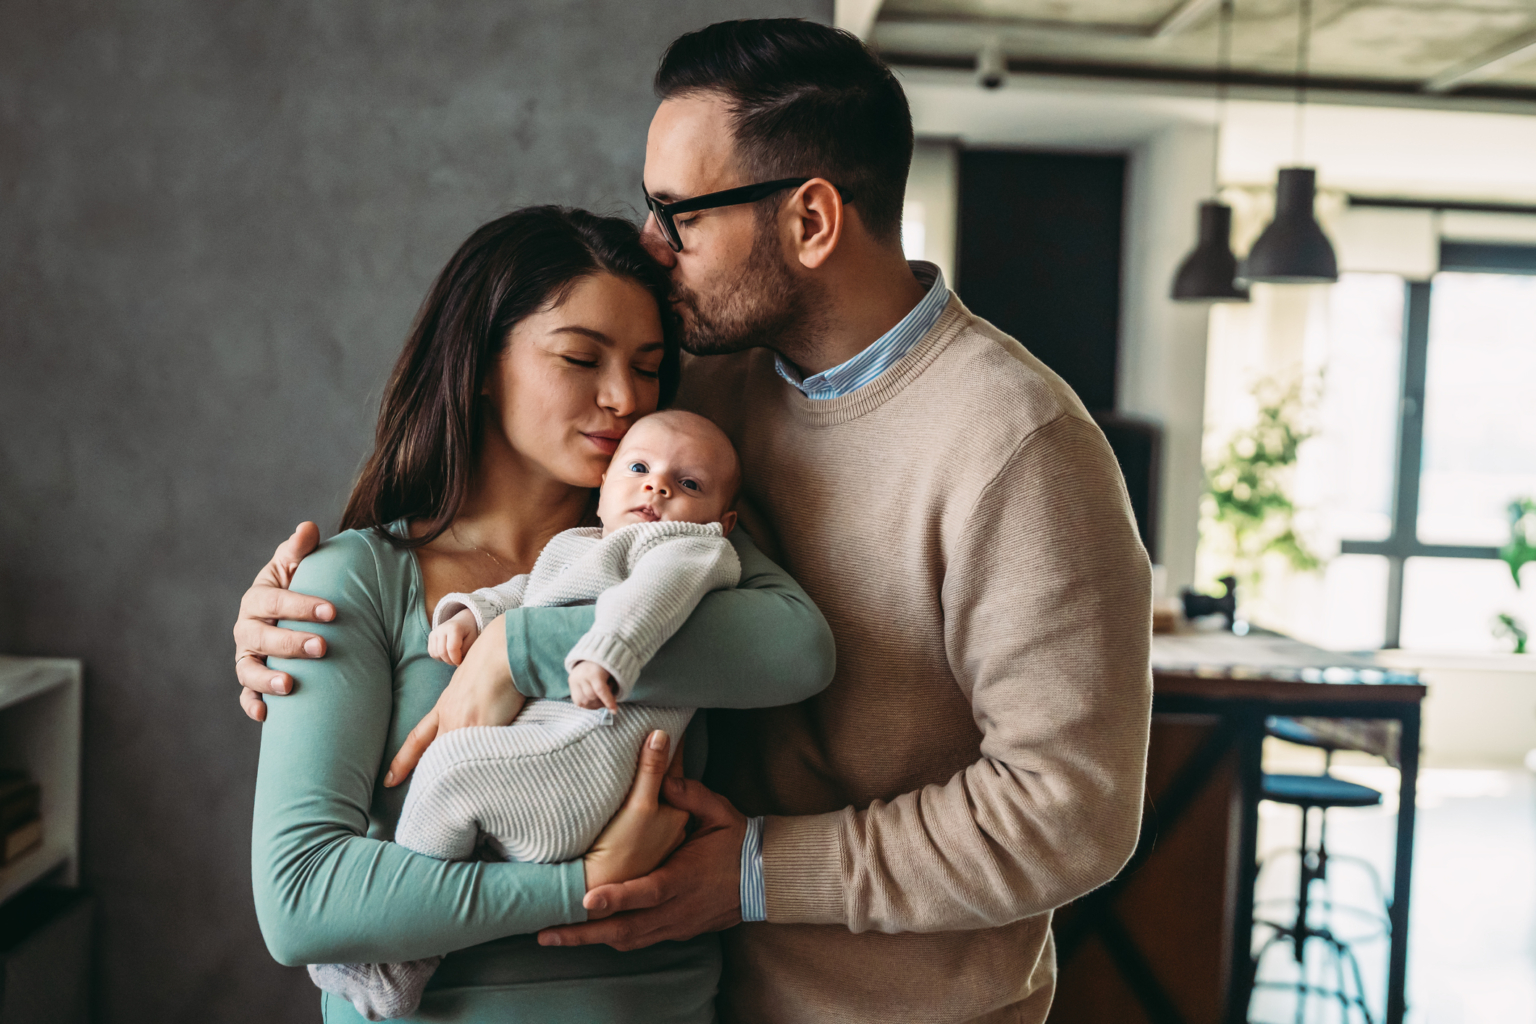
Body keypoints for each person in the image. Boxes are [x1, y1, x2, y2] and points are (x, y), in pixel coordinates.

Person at [237, 20, 1153, 1023]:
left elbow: (1068, 813)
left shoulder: (1021, 448)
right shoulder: (694, 393)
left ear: (810, 222)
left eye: (679, 213)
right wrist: (294, 621)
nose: (649, 244)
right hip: (698, 995)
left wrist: (754, 869)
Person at [247, 205, 834, 1023]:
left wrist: (518, 649)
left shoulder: (663, 538)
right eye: (579, 357)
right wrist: (582, 884)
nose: (624, 397)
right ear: (483, 363)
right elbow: (303, 902)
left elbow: (798, 651)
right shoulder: (357, 580)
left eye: (649, 366)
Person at [311, 410, 746, 1020]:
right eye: (640, 469)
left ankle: (397, 964)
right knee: (455, 777)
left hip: (593, 765)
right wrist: (471, 615)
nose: (658, 488)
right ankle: (407, 943)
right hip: (548, 768)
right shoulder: (576, 547)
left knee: (454, 769)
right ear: (604, 487)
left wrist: (606, 656)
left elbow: (649, 603)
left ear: (724, 522)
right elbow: (524, 597)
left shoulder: (689, 551)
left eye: (689, 484)